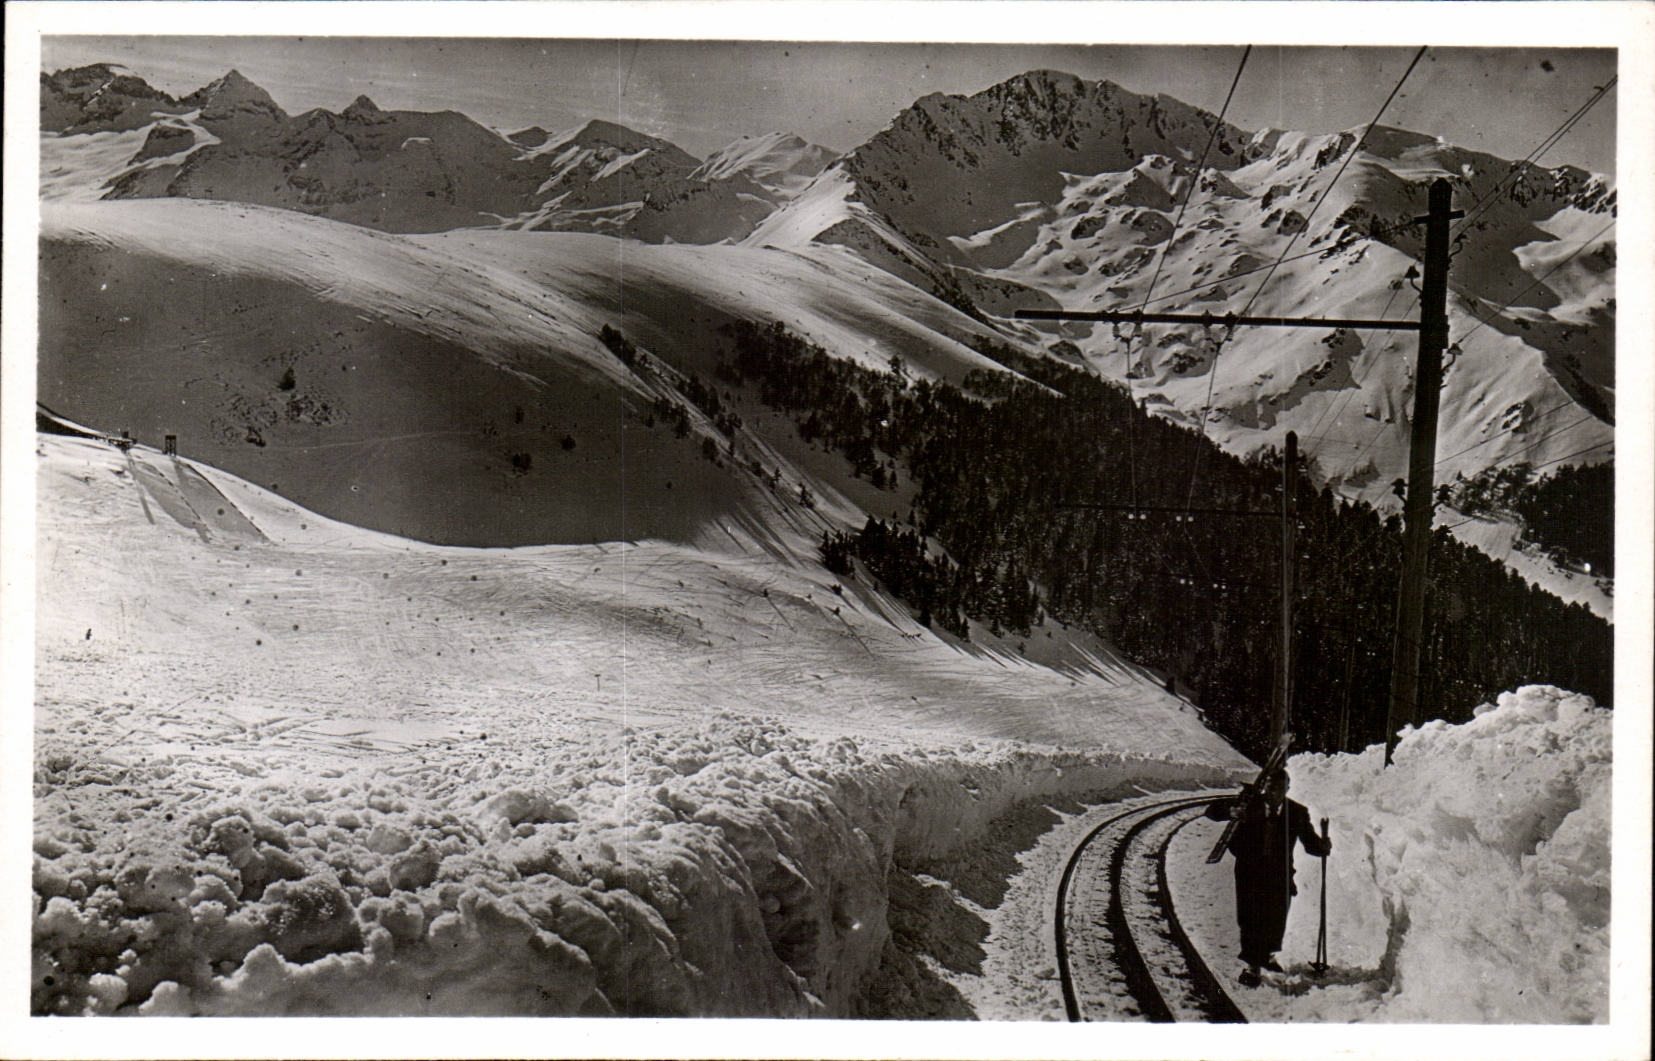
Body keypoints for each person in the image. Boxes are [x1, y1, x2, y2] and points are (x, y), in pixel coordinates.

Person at [1205, 769, 1330, 987]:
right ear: (1265, 788)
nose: (1274, 793)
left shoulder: (1297, 812)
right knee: (1250, 918)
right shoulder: (1249, 804)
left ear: (1287, 789)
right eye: (1271, 788)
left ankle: (1267, 955)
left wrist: (1323, 846)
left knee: (1275, 918)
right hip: (1249, 871)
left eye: (1280, 788)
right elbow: (1212, 810)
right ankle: (1252, 966)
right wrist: (1232, 811)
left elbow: (1310, 843)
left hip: (1279, 873)